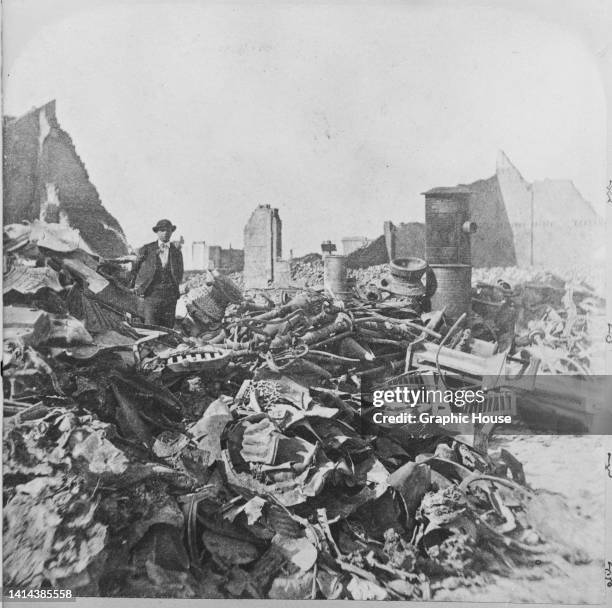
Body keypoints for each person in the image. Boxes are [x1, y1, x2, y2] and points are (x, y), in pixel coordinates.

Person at [132, 219, 184, 328]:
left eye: (168, 230)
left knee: (168, 328)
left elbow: (180, 272)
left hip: (170, 296)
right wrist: (133, 286)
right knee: (151, 326)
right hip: (151, 294)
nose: (165, 233)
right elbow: (135, 268)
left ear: (171, 232)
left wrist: (173, 289)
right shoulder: (148, 248)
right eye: (162, 230)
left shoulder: (176, 251)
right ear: (157, 232)